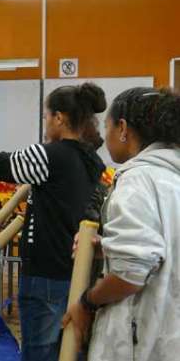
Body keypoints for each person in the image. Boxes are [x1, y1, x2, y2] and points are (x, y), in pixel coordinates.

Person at [0, 83, 106, 361]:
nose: (45, 122)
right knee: (63, 347)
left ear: (59, 118)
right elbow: (29, 176)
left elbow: (4, 165)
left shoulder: (51, 154)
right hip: (73, 271)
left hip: (45, 272)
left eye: (47, 116)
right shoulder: (89, 159)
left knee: (38, 350)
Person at [63, 88, 180, 361]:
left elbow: (132, 273)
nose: (106, 137)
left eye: (108, 126)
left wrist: (87, 302)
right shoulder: (171, 177)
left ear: (123, 128)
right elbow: (166, 247)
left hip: (143, 342)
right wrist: (108, 247)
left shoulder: (137, 180)